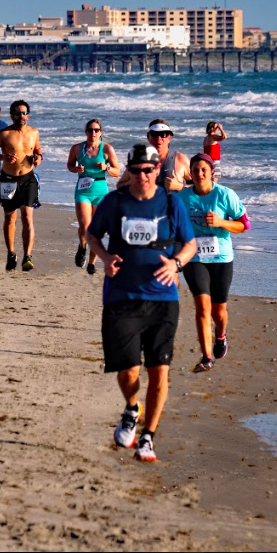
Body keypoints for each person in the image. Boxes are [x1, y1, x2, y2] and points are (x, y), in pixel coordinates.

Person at [85, 143, 196, 463]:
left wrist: (176, 264)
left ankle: (148, 436)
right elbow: (93, 234)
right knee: (127, 370)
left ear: (157, 171)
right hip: (121, 296)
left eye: (149, 170)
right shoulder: (114, 202)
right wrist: (104, 257)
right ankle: (132, 408)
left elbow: (189, 245)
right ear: (129, 171)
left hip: (163, 299)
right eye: (137, 170)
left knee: (159, 371)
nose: (143, 176)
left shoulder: (171, 203)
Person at [177, 153, 250, 373]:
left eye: (204, 170)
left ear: (211, 173)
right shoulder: (182, 197)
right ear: (190, 173)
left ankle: (220, 336)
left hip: (221, 258)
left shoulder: (225, 195)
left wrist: (220, 222)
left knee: (219, 312)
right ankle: (207, 357)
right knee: (202, 305)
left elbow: (244, 225)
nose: (199, 174)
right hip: (195, 257)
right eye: (196, 170)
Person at [0, 100, 42, 271]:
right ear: (12, 115)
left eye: (24, 113)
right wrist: (3, 158)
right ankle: (11, 253)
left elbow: (38, 151)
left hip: (28, 179)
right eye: (18, 113)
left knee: (27, 216)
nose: (21, 116)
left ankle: (27, 257)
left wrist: (38, 158)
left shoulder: (34, 133)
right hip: (8, 180)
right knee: (10, 218)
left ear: (28, 115)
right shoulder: (4, 134)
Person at [67, 119, 121, 274]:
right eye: (90, 130)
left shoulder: (107, 149)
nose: (93, 133)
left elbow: (117, 171)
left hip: (100, 190)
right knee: (85, 226)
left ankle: (91, 262)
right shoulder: (77, 148)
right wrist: (76, 169)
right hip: (83, 190)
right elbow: (69, 165)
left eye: (96, 130)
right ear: (86, 132)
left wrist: (107, 167)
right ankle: (82, 246)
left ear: (100, 132)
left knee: (96, 230)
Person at [119, 120, 190, 193]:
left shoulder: (181, 160)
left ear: (169, 138)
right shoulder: (138, 160)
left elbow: (199, 186)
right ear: (148, 136)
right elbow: (120, 186)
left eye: (163, 134)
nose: (159, 138)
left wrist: (180, 186)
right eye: (154, 134)